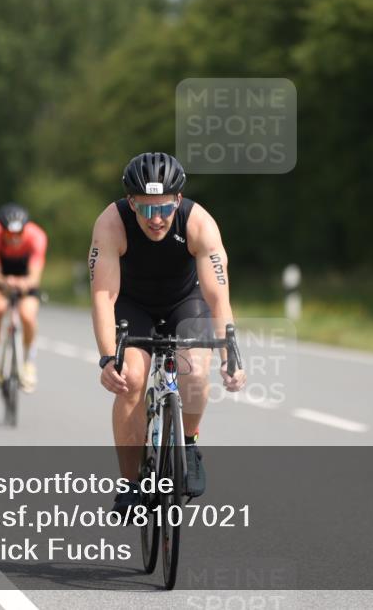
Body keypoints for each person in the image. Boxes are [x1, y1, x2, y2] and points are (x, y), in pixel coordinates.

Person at [88, 152, 246, 512]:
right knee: (130, 378)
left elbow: (218, 299)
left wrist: (230, 357)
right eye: (145, 209)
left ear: (178, 199)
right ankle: (130, 484)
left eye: (163, 208)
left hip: (186, 301)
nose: (156, 219)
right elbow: (103, 296)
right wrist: (108, 359)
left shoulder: (199, 223)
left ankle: (188, 445)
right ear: (131, 202)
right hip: (132, 304)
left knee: (194, 374)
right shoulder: (111, 224)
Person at [0, 203, 47, 392]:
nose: (15, 239)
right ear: (1, 230)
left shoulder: (37, 237)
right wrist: (5, 282)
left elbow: (35, 277)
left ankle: (29, 362)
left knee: (27, 315)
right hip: (2, 273)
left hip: (25, 273)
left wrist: (25, 284)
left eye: (19, 234)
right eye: (9, 235)